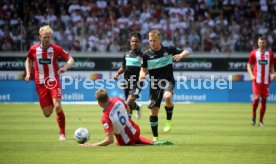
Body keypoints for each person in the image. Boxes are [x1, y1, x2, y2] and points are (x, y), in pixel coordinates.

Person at [25, 25, 74, 140]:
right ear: (40, 37)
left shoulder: (56, 49)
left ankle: (62, 133)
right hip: (40, 83)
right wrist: (28, 73)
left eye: (49, 37)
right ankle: (52, 101)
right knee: (47, 114)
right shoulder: (33, 49)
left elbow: (71, 59)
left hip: (53, 81)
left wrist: (65, 67)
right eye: (45, 37)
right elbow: (28, 60)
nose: (47, 39)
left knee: (57, 106)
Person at [139, 30, 189, 142]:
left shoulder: (168, 50)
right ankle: (155, 138)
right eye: (150, 40)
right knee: (153, 112)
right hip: (154, 84)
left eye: (154, 40)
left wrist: (180, 55)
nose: (152, 43)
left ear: (159, 39)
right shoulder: (146, 55)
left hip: (168, 80)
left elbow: (187, 52)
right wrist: (142, 75)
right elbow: (143, 70)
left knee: (167, 97)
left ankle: (169, 120)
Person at [80, 89, 172, 146]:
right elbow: (128, 108)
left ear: (99, 102)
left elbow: (110, 140)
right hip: (135, 130)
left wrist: (92, 145)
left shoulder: (105, 117)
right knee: (135, 136)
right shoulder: (117, 99)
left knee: (117, 143)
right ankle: (151, 142)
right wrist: (127, 120)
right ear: (108, 97)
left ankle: (148, 142)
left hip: (126, 141)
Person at [114, 32, 143, 119]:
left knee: (128, 102)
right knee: (129, 104)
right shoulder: (126, 54)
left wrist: (143, 75)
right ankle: (137, 108)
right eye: (133, 41)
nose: (134, 43)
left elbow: (146, 69)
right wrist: (117, 74)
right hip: (127, 82)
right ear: (130, 42)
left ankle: (127, 123)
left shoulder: (143, 55)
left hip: (137, 82)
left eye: (136, 41)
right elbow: (123, 67)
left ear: (139, 42)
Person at [247, 36, 275, 127]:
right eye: (260, 42)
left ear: (265, 43)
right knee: (256, 98)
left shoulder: (270, 53)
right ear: (257, 43)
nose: (261, 44)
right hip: (256, 80)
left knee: (264, 100)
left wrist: (273, 73)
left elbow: (271, 66)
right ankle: (253, 117)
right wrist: (251, 75)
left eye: (263, 43)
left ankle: (261, 121)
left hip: (266, 82)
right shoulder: (253, 53)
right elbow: (248, 65)